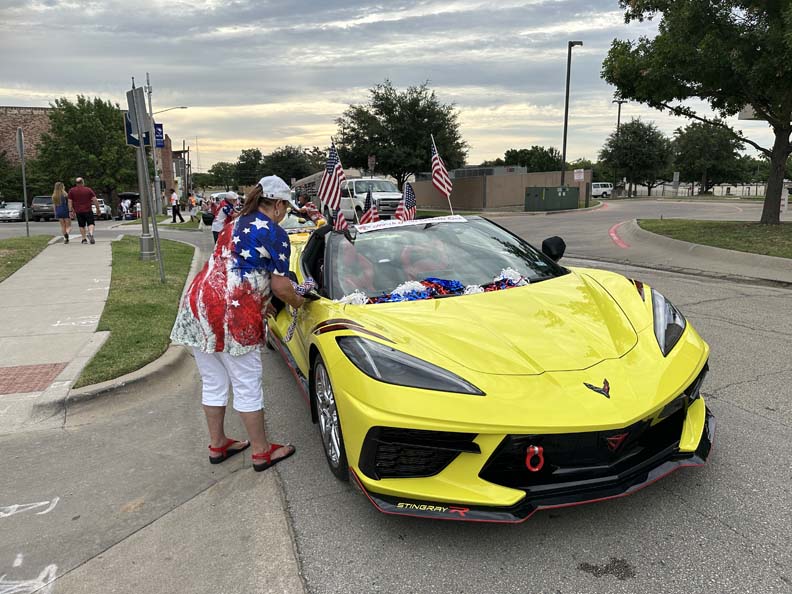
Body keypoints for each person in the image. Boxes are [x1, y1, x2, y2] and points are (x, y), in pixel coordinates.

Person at [170, 175, 306, 471]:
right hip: (234, 311)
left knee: (214, 380)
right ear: (279, 204)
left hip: (198, 305)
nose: (285, 214)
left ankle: (218, 444)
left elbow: (238, 269)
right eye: (286, 208)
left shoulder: (233, 223)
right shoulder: (275, 234)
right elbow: (282, 287)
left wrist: (262, 302)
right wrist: (300, 302)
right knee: (246, 383)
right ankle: (261, 451)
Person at [67, 177, 101, 244]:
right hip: (88, 210)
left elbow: (69, 201)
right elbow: (95, 200)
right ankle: (91, 234)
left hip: (78, 211)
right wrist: (98, 209)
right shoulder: (88, 190)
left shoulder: (72, 191)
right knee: (91, 223)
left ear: (76, 183)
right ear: (83, 182)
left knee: (81, 225)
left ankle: (84, 239)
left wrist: (70, 211)